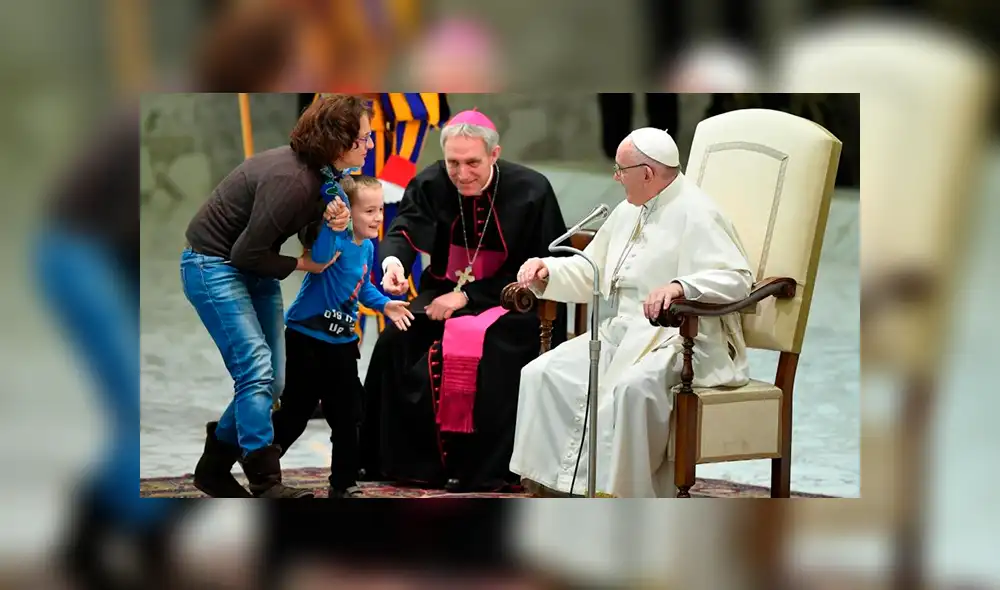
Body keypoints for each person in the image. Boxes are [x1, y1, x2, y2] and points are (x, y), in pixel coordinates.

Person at [510, 127, 754, 498]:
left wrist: (681, 287)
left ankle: (626, 498)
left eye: (620, 169)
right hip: (621, 335)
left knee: (631, 390)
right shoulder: (628, 210)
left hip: (681, 340)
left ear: (647, 173)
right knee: (542, 373)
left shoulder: (699, 212)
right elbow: (592, 270)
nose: (615, 176)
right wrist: (549, 271)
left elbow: (738, 279)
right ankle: (559, 491)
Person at [360, 110, 569, 493]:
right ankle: (387, 461)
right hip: (441, 293)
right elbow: (404, 231)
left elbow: (549, 268)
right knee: (394, 342)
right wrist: (392, 265)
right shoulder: (430, 182)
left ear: (494, 154)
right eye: (453, 162)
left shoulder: (531, 189)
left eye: (472, 162)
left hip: (511, 303)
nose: (462, 173)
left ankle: (476, 467)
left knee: (480, 353)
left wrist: (469, 295)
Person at [182, 94, 367, 499]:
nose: (369, 145)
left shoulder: (323, 173)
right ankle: (267, 482)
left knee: (274, 381)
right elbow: (243, 252)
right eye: (364, 140)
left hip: (253, 262)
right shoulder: (292, 179)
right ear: (339, 144)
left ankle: (213, 468)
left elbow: (290, 227)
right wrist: (304, 266)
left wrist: (325, 221)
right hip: (213, 264)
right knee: (256, 372)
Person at [268, 175, 413, 498]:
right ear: (348, 213)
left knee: (349, 415)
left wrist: (385, 305)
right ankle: (257, 457)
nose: (378, 217)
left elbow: (363, 289)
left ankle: (344, 484)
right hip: (307, 337)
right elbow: (318, 259)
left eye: (380, 210)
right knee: (296, 412)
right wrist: (333, 224)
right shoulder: (334, 241)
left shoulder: (367, 249)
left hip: (343, 343)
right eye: (369, 211)